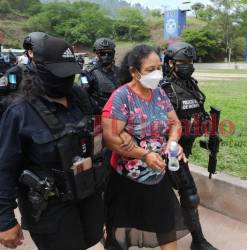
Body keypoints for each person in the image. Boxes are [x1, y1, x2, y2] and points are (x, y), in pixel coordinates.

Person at [0, 35, 105, 250]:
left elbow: (104, 127)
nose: (66, 78)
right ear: (39, 68)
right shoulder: (20, 112)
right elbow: (5, 168)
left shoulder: (79, 97)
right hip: (51, 208)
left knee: (89, 240)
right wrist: (4, 221)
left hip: (86, 195)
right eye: (60, 73)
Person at [101, 44, 189, 250]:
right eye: (151, 69)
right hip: (126, 179)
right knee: (121, 232)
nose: (157, 74)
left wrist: (173, 143)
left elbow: (175, 123)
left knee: (166, 226)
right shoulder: (122, 97)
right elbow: (111, 138)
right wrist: (143, 155)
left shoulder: (159, 94)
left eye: (159, 68)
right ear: (134, 71)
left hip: (158, 175)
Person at [159, 42, 218, 250]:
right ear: (171, 63)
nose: (188, 66)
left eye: (190, 62)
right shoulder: (164, 89)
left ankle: (197, 240)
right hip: (169, 151)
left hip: (186, 148)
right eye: (183, 62)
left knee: (183, 194)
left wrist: (206, 126)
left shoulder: (192, 84)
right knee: (189, 194)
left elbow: (197, 112)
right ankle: (198, 240)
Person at [0, 32, 48, 119]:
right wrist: (16, 106)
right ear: (30, 53)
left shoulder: (51, 73)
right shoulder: (14, 72)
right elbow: (2, 96)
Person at [81, 37, 121, 113]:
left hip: (119, 113)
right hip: (98, 113)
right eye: (102, 53)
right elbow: (84, 95)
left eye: (109, 53)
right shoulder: (87, 73)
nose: (106, 56)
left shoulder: (120, 72)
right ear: (96, 53)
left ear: (113, 53)